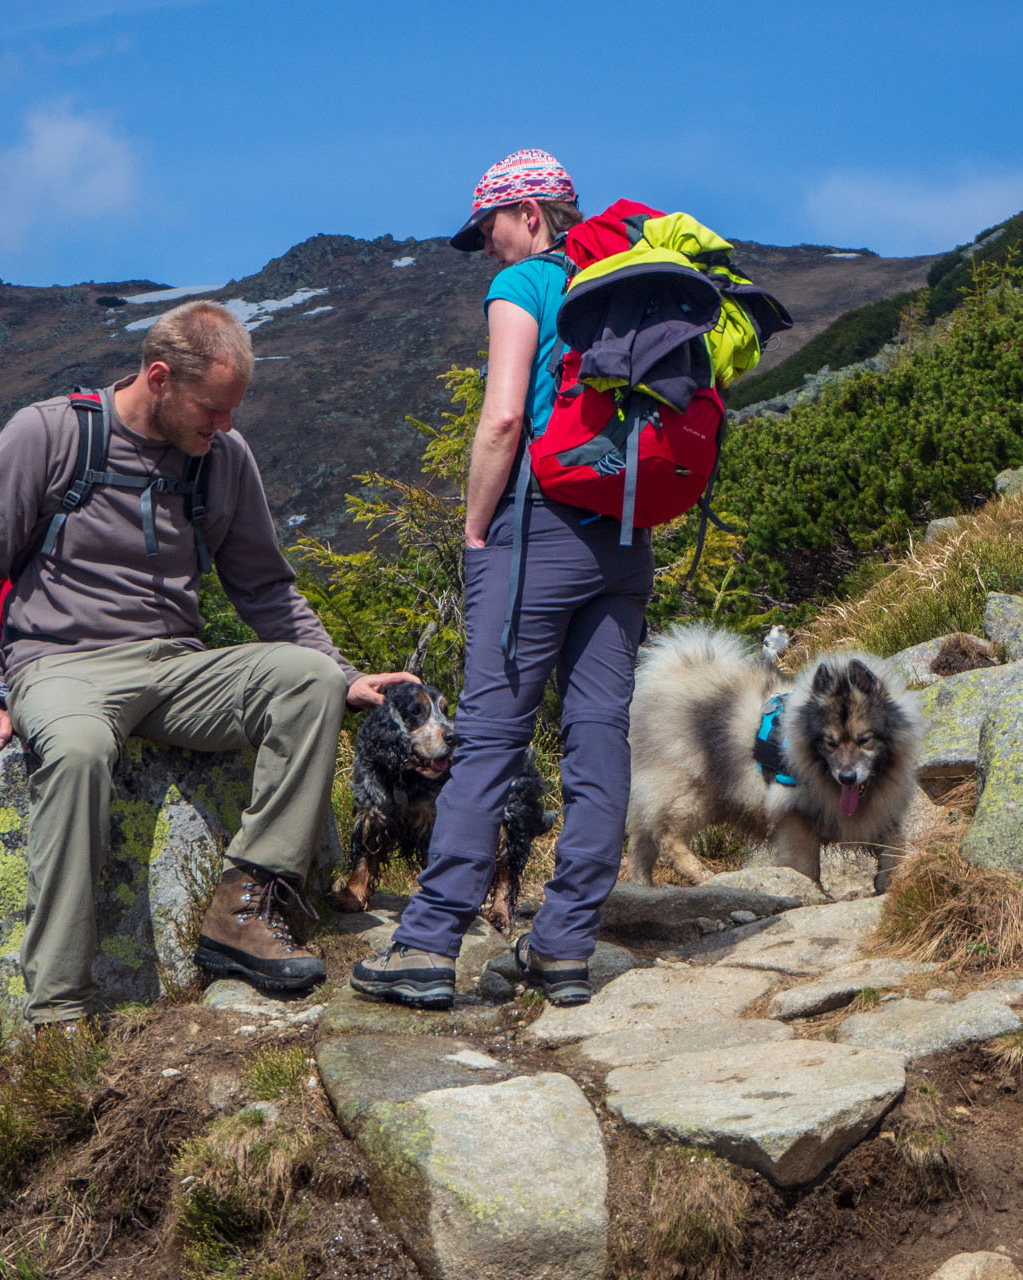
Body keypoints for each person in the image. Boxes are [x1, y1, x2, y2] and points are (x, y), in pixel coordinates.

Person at [0, 300, 414, 1025]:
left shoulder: (224, 459)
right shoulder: (50, 433)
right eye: (211, 409)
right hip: (62, 665)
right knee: (74, 751)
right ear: (158, 377)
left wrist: (342, 672)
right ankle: (60, 1010)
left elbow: (263, 586)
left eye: (232, 412)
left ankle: (245, 908)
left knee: (309, 682)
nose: (223, 427)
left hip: (176, 666)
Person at [352, 149, 655, 1009]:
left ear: (529, 213)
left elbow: (504, 417)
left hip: (539, 533)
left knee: (486, 735)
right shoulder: (630, 282)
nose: (485, 245)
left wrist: (478, 527)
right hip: (627, 537)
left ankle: (425, 943)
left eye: (488, 226)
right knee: (598, 738)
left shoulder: (525, 287)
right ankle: (564, 948)